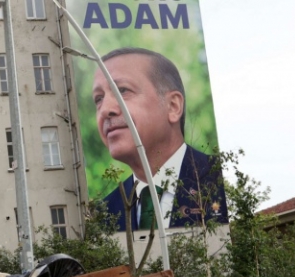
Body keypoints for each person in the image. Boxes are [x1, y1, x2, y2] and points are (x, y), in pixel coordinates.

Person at [94, 48, 228, 231]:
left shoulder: (224, 182)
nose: (105, 110)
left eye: (122, 90)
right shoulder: (102, 216)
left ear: (173, 106)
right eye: (98, 99)